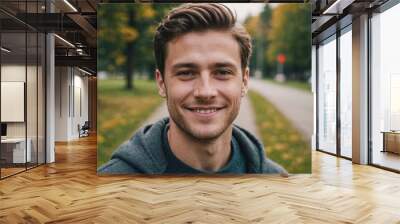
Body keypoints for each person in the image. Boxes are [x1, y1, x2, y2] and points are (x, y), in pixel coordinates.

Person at [98, 3, 288, 176]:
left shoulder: (279, 184)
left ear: (244, 82)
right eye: (187, 73)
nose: (205, 92)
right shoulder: (110, 186)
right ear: (161, 83)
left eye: (222, 72)